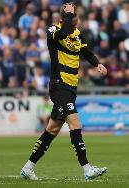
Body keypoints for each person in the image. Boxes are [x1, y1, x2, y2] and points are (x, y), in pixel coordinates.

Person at [20, 2, 108, 181]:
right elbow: (62, 33)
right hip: (58, 85)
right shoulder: (54, 29)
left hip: (71, 87)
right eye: (76, 16)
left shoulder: (77, 34)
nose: (79, 20)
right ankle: (87, 169)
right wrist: (67, 16)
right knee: (75, 123)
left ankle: (28, 168)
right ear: (69, 17)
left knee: (52, 130)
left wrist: (98, 63)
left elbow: (87, 53)